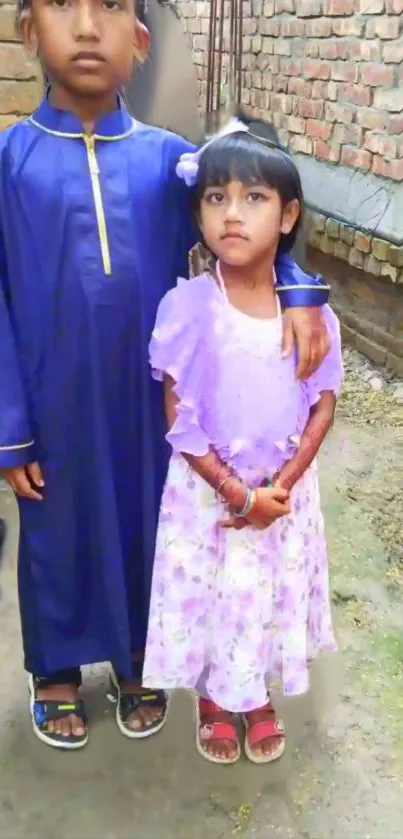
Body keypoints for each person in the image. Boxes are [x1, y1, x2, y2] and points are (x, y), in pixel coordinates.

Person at [0, 0, 330, 750]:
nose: (87, 27)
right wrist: (8, 424)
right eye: (63, 7)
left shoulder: (170, 162)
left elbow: (245, 233)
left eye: (111, 8)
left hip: (159, 398)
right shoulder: (8, 163)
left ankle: (137, 657)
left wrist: (303, 296)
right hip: (49, 398)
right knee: (55, 525)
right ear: (28, 33)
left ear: (140, 42)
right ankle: (52, 666)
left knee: (154, 524)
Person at [143, 116, 343, 765]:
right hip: (211, 496)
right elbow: (180, 416)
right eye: (215, 197)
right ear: (197, 211)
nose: (231, 214)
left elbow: (322, 403)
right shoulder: (190, 307)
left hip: (281, 497)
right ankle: (213, 698)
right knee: (216, 592)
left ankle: (255, 696)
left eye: (253, 198)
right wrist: (235, 490)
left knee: (262, 593)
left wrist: (278, 486)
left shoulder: (310, 311)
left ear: (287, 214)